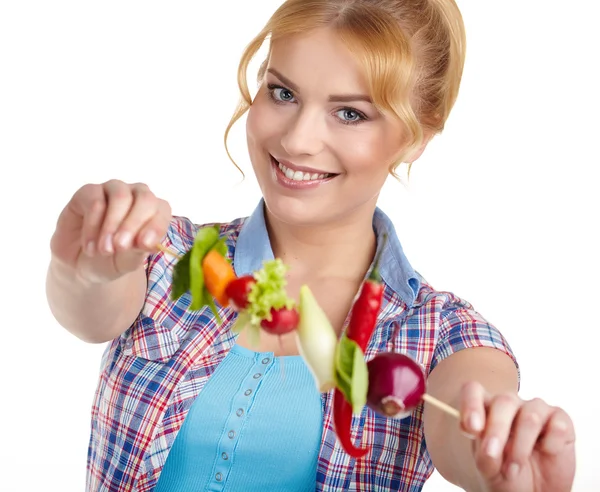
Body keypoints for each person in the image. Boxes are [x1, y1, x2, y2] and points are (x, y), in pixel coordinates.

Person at [45, 0, 576, 490]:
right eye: (283, 93)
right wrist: (87, 268)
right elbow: (92, 311)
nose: (297, 140)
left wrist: (505, 459)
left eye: (350, 113)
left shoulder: (438, 332)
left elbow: (470, 413)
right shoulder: (174, 257)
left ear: (418, 134)